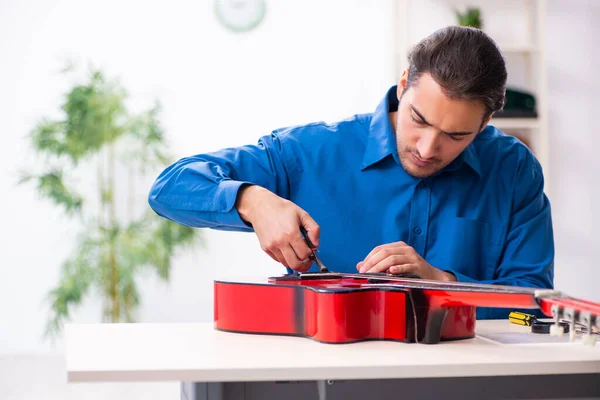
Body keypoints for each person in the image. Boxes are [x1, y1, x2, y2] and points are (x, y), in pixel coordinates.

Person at [148, 26, 554, 319]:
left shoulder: (514, 170)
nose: (428, 148)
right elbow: (169, 187)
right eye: (419, 119)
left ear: (484, 126)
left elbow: (531, 298)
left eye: (456, 135)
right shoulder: (309, 152)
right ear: (401, 86)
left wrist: (440, 282)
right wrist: (251, 200)